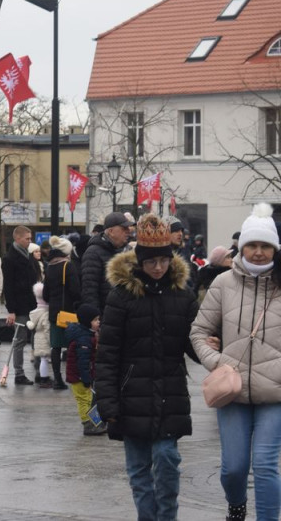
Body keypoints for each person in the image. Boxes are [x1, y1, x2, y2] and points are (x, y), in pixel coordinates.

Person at [95, 214, 198, 521]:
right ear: (140, 261)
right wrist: (107, 401)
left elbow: (193, 343)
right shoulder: (121, 296)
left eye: (163, 261)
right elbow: (108, 353)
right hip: (131, 395)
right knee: (139, 469)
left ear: (171, 259)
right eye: (151, 262)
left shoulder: (183, 295)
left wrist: (212, 348)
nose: (157, 268)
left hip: (169, 392)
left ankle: (167, 516)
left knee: (167, 458)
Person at [191, 204, 281, 521]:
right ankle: (236, 505)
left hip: (276, 391)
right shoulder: (223, 283)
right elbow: (199, 332)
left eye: (265, 245)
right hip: (233, 389)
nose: (258, 252)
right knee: (234, 466)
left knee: (266, 463)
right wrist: (217, 362)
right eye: (251, 245)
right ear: (241, 247)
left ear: (274, 248)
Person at [2, 225, 41, 385]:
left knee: (37, 338)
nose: (30, 241)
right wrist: (11, 310)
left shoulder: (28, 255)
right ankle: (19, 373)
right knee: (20, 340)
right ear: (17, 238)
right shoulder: (10, 258)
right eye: (27, 238)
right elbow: (8, 286)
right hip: (20, 305)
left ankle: (40, 371)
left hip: (33, 304)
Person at [43, 235, 81, 390]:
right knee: (75, 345)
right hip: (69, 313)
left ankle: (58, 380)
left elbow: (45, 294)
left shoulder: (49, 266)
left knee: (56, 346)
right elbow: (76, 291)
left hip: (54, 314)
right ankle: (75, 376)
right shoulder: (68, 266)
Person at [81, 212, 133, 312]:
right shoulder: (93, 253)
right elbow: (89, 290)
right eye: (124, 228)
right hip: (105, 316)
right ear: (111, 231)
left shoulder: (128, 251)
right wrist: (96, 318)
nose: (128, 231)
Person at [65, 303, 103, 435]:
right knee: (84, 400)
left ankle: (95, 423)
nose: (99, 322)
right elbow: (82, 361)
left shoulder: (87, 334)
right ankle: (88, 425)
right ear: (88, 322)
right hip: (79, 376)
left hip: (82, 374)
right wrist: (86, 377)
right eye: (95, 320)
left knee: (89, 399)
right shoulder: (84, 339)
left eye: (98, 319)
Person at [27, 282, 53, 387]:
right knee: (44, 360)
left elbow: (31, 325)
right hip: (44, 339)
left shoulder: (34, 313)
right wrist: (51, 341)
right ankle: (44, 379)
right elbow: (47, 329)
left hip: (37, 338)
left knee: (42, 359)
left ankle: (41, 377)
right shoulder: (45, 314)